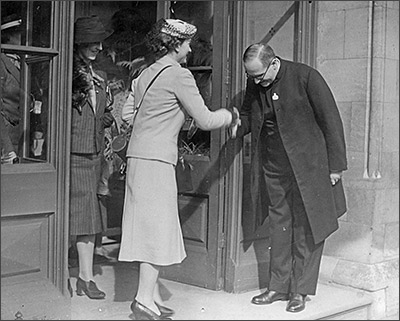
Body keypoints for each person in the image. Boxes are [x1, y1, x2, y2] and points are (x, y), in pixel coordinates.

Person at [118, 18, 239, 320]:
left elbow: (128, 115)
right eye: (186, 44)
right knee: (156, 230)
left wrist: (160, 118)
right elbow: (206, 120)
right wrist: (229, 116)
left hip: (137, 158)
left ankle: (152, 297)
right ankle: (143, 300)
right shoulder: (180, 76)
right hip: (157, 161)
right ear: (175, 45)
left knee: (146, 227)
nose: (189, 50)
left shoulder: (145, 74)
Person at [231, 43, 347, 313]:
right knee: (279, 224)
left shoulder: (306, 77)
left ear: (273, 63)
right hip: (273, 166)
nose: (256, 82)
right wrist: (238, 125)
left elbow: (331, 121)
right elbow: (248, 114)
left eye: (259, 76)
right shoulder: (255, 82)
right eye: (251, 77)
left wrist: (336, 167)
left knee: (308, 226)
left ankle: (300, 291)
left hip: (309, 167)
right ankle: (277, 287)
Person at [69, 15, 115, 300]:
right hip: (72, 153)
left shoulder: (99, 75)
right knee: (75, 216)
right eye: (92, 42)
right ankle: (74, 276)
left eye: (100, 41)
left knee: (88, 216)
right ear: (79, 44)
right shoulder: (67, 73)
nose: (98, 47)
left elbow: (101, 112)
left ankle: (85, 277)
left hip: (93, 152)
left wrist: (107, 120)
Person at [1, 15, 23, 164]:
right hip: (6, 137)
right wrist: (7, 148)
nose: (24, 37)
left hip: (22, 136)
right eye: (19, 33)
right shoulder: (2, 62)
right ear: (8, 36)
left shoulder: (24, 62)